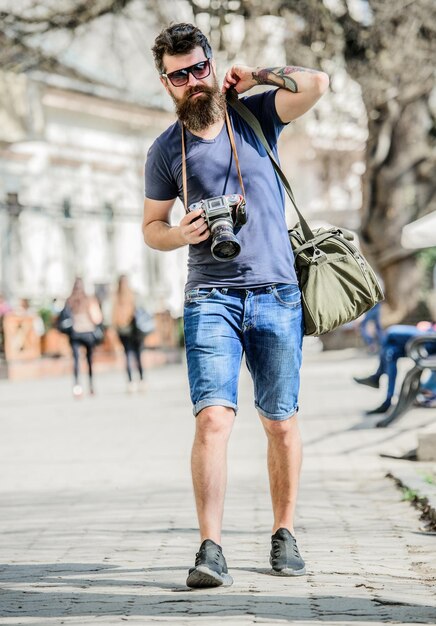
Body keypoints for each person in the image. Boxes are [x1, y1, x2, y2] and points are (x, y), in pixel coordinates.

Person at [142, 23, 329, 588]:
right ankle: (210, 547)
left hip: (276, 291)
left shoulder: (256, 114)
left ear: (212, 64)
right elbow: (151, 228)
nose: (194, 81)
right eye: (180, 75)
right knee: (213, 420)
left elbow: (318, 83)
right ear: (166, 83)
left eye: (201, 68)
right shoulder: (163, 151)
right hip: (209, 297)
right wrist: (181, 234)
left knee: (280, 422)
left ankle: (285, 533)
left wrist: (260, 74)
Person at [353, 322, 436, 414]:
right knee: (391, 352)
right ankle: (387, 399)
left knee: (391, 332)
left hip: (432, 337)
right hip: (429, 332)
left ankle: (377, 379)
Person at [65, 278, 103, 398]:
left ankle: (77, 387)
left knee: (76, 360)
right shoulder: (89, 300)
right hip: (88, 333)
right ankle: (91, 386)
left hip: (75, 333)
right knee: (89, 360)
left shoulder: (70, 300)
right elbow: (97, 318)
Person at [112, 275, 145, 392]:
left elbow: (113, 315)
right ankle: (140, 381)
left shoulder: (117, 296)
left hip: (126, 330)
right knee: (136, 356)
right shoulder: (132, 295)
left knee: (129, 356)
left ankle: (133, 382)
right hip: (132, 330)